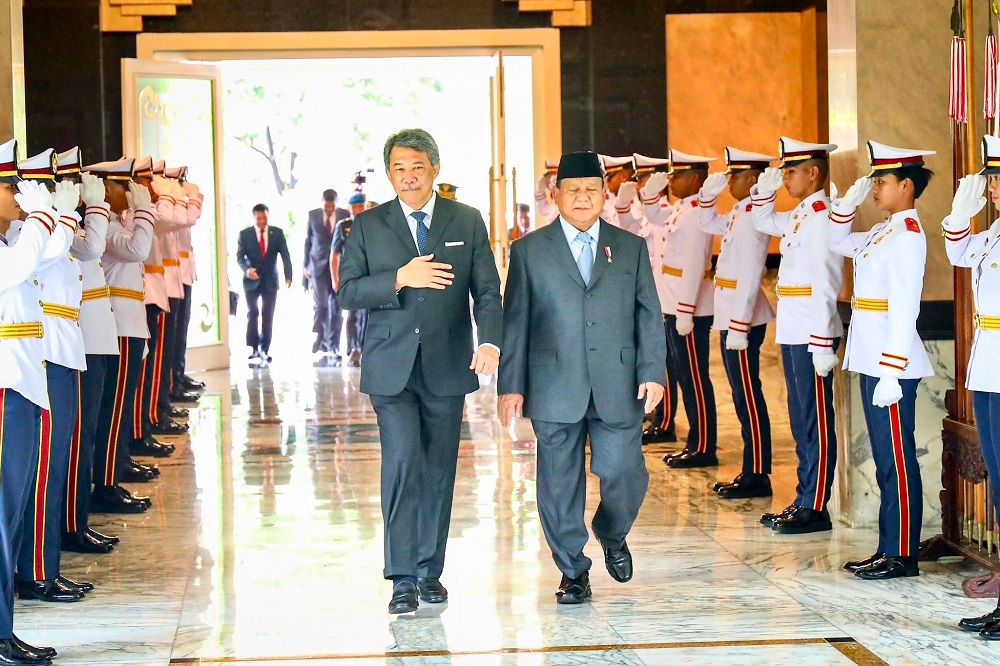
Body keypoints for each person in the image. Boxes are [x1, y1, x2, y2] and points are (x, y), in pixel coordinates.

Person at [337, 128, 503, 615]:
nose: (408, 176)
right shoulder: (368, 226)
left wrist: (489, 340)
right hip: (391, 368)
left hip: (448, 365)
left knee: (438, 470)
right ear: (388, 174)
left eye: (416, 167)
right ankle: (402, 576)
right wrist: (398, 279)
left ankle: (432, 572)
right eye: (398, 169)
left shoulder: (466, 220)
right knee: (405, 461)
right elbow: (346, 293)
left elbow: (488, 290)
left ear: (434, 168)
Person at [498, 151, 665, 605]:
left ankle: (612, 532)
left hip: (619, 381)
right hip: (552, 383)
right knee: (558, 483)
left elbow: (650, 313)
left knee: (626, 472)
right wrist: (510, 385)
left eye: (592, 189)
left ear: (604, 195)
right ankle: (573, 570)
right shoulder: (529, 251)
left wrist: (654, 371)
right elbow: (516, 322)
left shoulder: (629, 247)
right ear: (556, 196)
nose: (582, 197)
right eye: (573, 190)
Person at [830, 140, 934, 580]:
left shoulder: (908, 236)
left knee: (897, 459)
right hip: (872, 359)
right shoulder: (883, 230)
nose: (874, 187)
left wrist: (892, 370)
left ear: (906, 186)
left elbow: (904, 306)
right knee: (884, 458)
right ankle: (887, 547)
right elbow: (836, 242)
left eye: (881, 181)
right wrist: (844, 207)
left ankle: (902, 554)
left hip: (890, 364)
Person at [750, 137, 843, 533]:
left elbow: (826, 281)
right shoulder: (803, 213)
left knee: (815, 419)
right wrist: (764, 194)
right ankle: (804, 496)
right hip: (793, 326)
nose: (785, 177)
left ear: (814, 173)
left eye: (790, 171)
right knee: (799, 414)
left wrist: (821, 340)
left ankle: (816, 505)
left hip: (812, 330)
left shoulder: (823, 216)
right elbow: (763, 222)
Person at [13, 151, 91, 603]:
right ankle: (37, 571)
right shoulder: (29, 234)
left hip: (58, 350)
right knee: (44, 472)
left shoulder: (32, 233)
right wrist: (55, 211)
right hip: (43, 356)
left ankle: (45, 565)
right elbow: (59, 248)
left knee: (55, 467)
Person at [0, 136, 61, 664]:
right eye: (10, 188)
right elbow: (16, 272)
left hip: (20, 382)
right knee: (0, 516)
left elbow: (51, 254)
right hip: (3, 388)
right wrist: (43, 215)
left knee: (11, 513)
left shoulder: (9, 240)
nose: (19, 196)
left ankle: (4, 629)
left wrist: (42, 218)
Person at [697, 148, 776, 498]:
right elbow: (707, 223)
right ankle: (751, 467)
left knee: (748, 394)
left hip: (742, 317)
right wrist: (706, 198)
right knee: (740, 393)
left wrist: (740, 326)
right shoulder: (742, 213)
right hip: (730, 313)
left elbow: (748, 275)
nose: (730, 181)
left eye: (735, 176)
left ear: (754, 180)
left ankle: (757, 471)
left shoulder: (753, 218)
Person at [947, 136, 1000, 639]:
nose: (998, 190)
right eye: (994, 181)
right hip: (988, 370)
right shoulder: (995, 234)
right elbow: (959, 253)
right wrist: (962, 211)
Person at [642, 150, 718, 468]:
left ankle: (703, 446)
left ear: (696, 180)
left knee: (694, 378)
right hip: (673, 303)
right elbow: (655, 218)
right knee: (684, 376)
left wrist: (685, 311)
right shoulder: (681, 210)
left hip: (688, 309)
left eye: (678, 175)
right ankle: (696, 442)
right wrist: (647, 195)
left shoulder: (697, 215)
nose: (671, 180)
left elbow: (694, 265)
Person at [625, 154, 678, 445]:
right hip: (656, 297)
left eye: (645, 180)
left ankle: (666, 419)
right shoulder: (651, 215)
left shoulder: (668, 213)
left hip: (668, 299)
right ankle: (660, 416)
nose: (639, 185)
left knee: (668, 366)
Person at [236, 203, 293, 363]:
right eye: (259, 218)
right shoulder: (245, 234)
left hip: (270, 280)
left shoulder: (277, 233)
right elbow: (240, 257)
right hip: (251, 280)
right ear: (254, 218)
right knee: (252, 312)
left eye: (264, 217)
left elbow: (285, 255)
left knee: (268, 315)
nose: (262, 221)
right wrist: (247, 270)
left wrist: (288, 275)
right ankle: (253, 347)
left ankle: (265, 348)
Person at [303, 190, 349, 357]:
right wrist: (305, 268)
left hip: (338, 266)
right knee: (321, 305)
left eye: (332, 207)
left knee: (336, 308)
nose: (329, 210)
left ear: (336, 204)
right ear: (322, 203)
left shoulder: (345, 214)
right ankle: (320, 335)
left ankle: (333, 345)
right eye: (326, 207)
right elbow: (308, 241)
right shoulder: (313, 215)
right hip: (317, 266)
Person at [330, 192, 368, 367]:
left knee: (367, 315)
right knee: (352, 314)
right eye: (354, 207)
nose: (357, 210)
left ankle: (363, 348)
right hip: (350, 276)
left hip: (369, 276)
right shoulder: (343, 226)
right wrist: (335, 279)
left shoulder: (373, 223)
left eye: (360, 206)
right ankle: (353, 348)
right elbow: (335, 253)